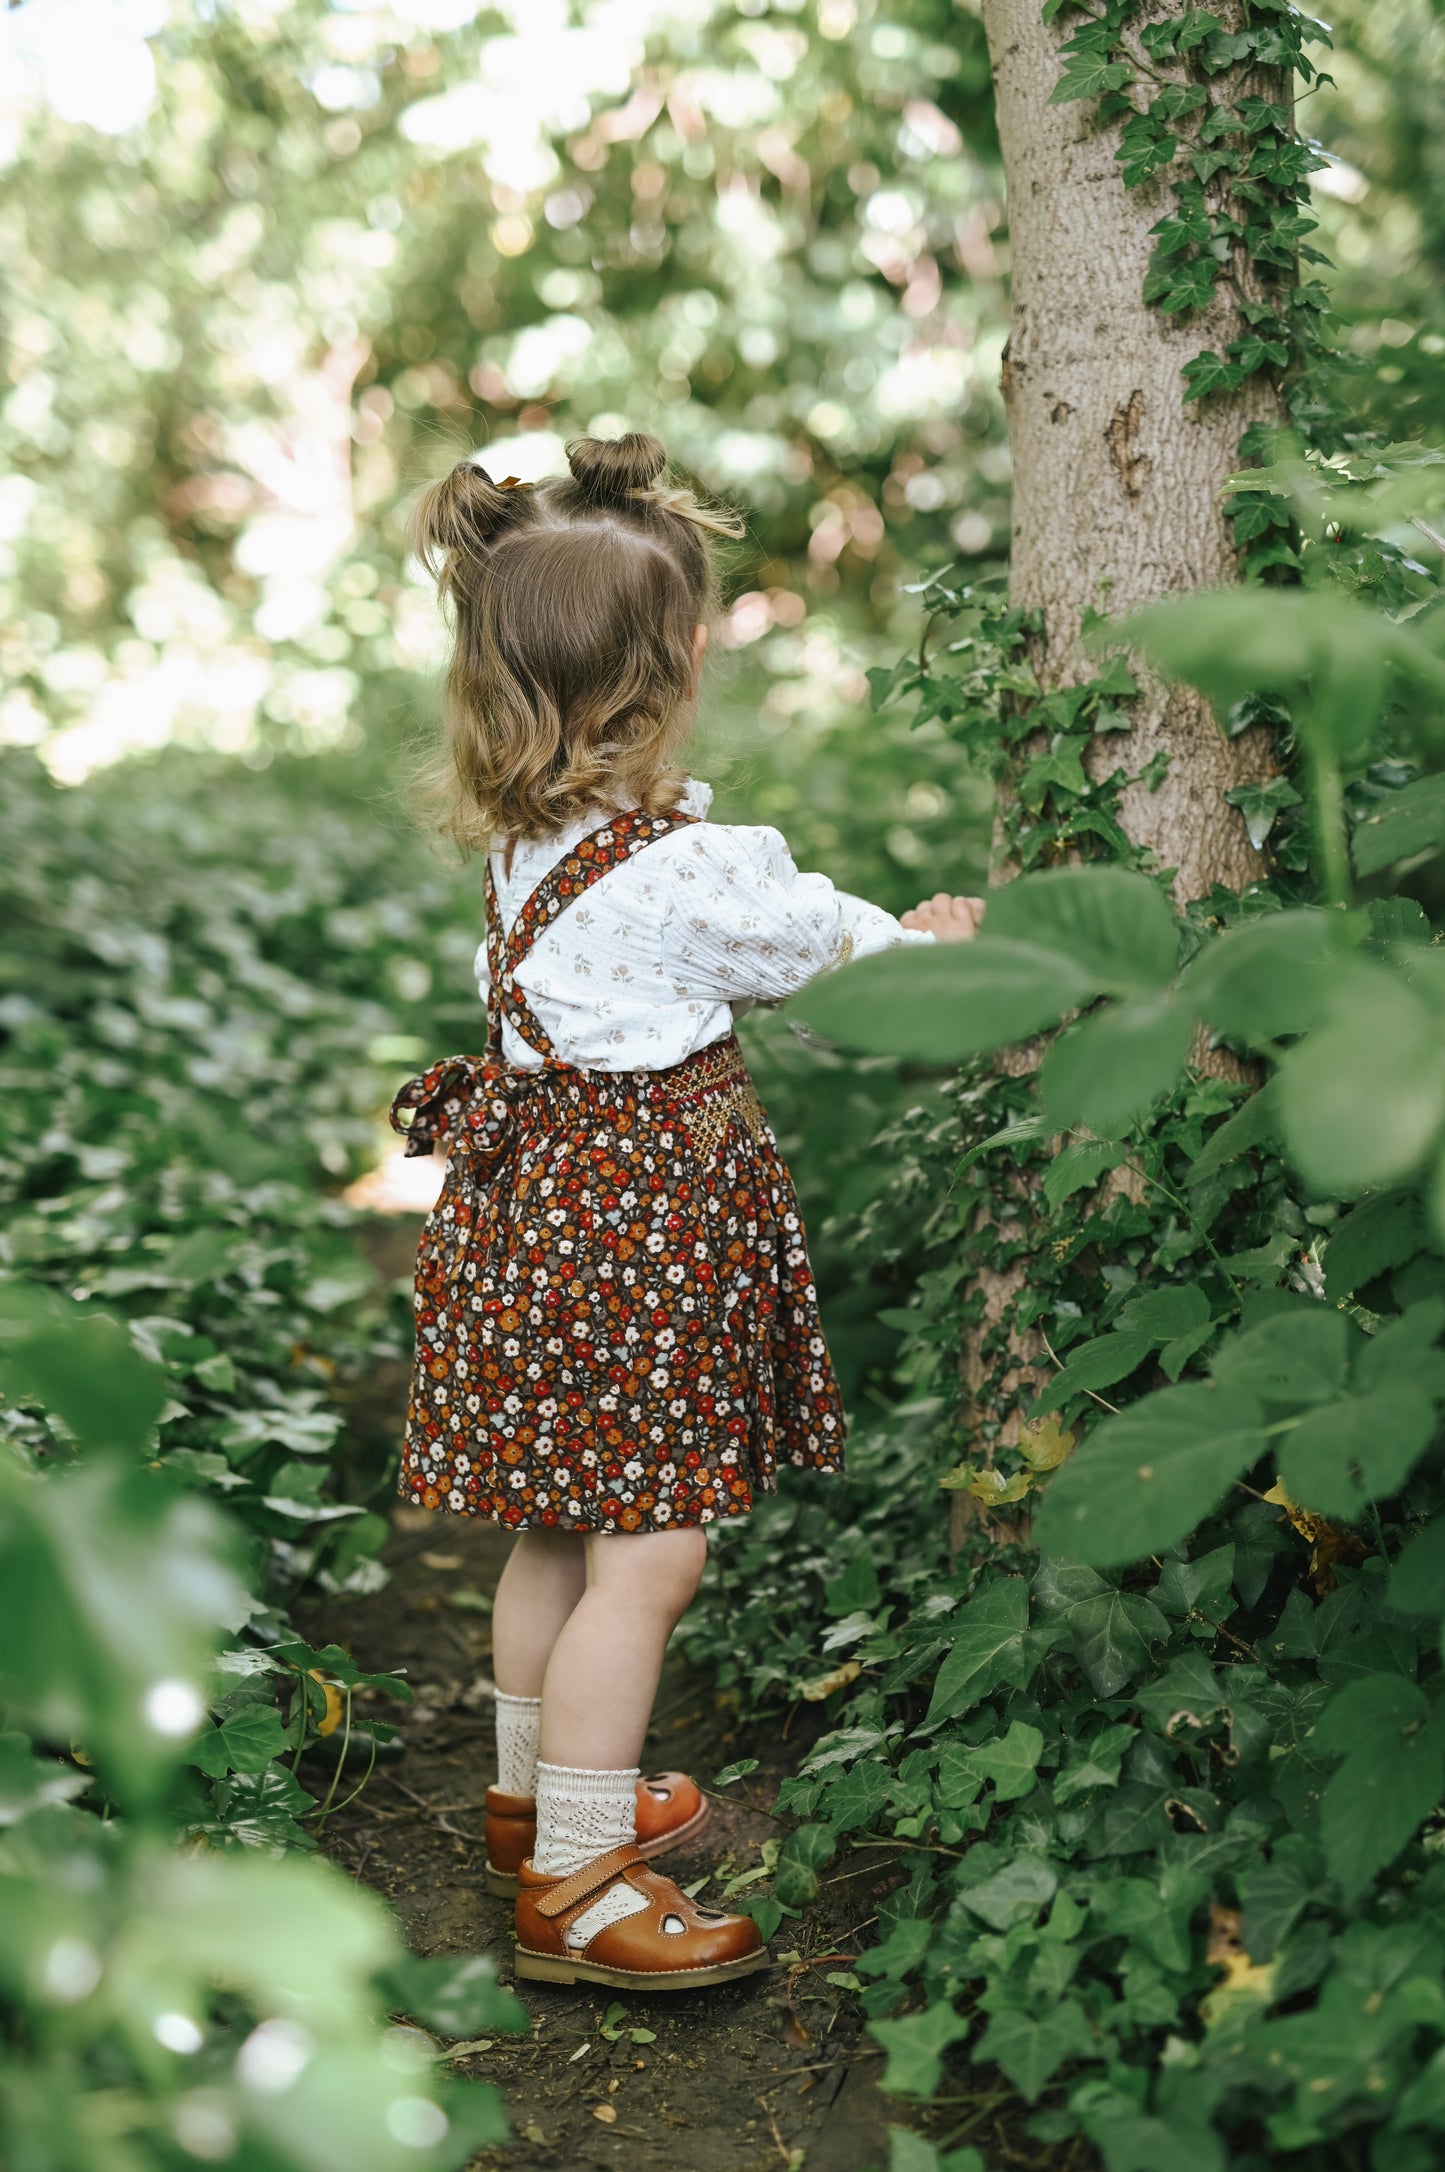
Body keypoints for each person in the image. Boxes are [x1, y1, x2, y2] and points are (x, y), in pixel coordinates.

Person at [390, 432, 982, 1991]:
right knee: (649, 1558)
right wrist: (936, 941)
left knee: (555, 1532)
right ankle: (583, 1883)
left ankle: (537, 1800)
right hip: (631, 1247)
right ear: (682, 659)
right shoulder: (688, 866)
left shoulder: (534, 842)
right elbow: (843, 960)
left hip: (538, 1234)